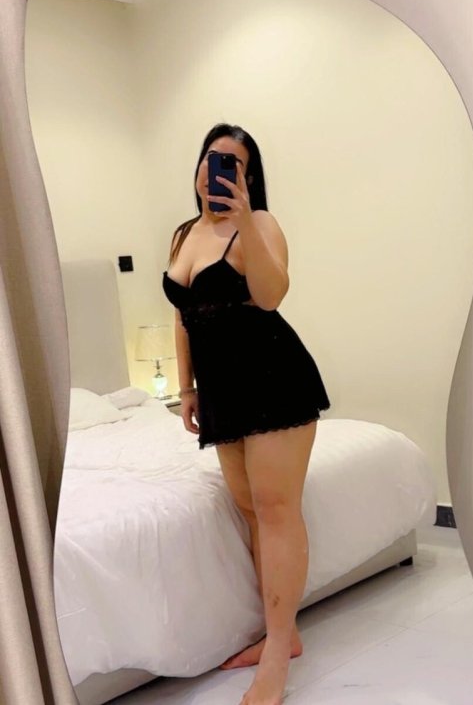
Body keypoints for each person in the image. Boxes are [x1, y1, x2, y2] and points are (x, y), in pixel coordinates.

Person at [162, 123, 330, 705]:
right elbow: (183, 316)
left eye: (234, 163)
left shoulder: (260, 224)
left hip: (273, 380)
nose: (219, 170)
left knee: (277, 511)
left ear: (249, 176)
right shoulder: (184, 234)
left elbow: (271, 295)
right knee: (253, 512)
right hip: (222, 393)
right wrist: (186, 389)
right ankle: (284, 634)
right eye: (212, 158)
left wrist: (246, 220)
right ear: (199, 167)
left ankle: (277, 656)